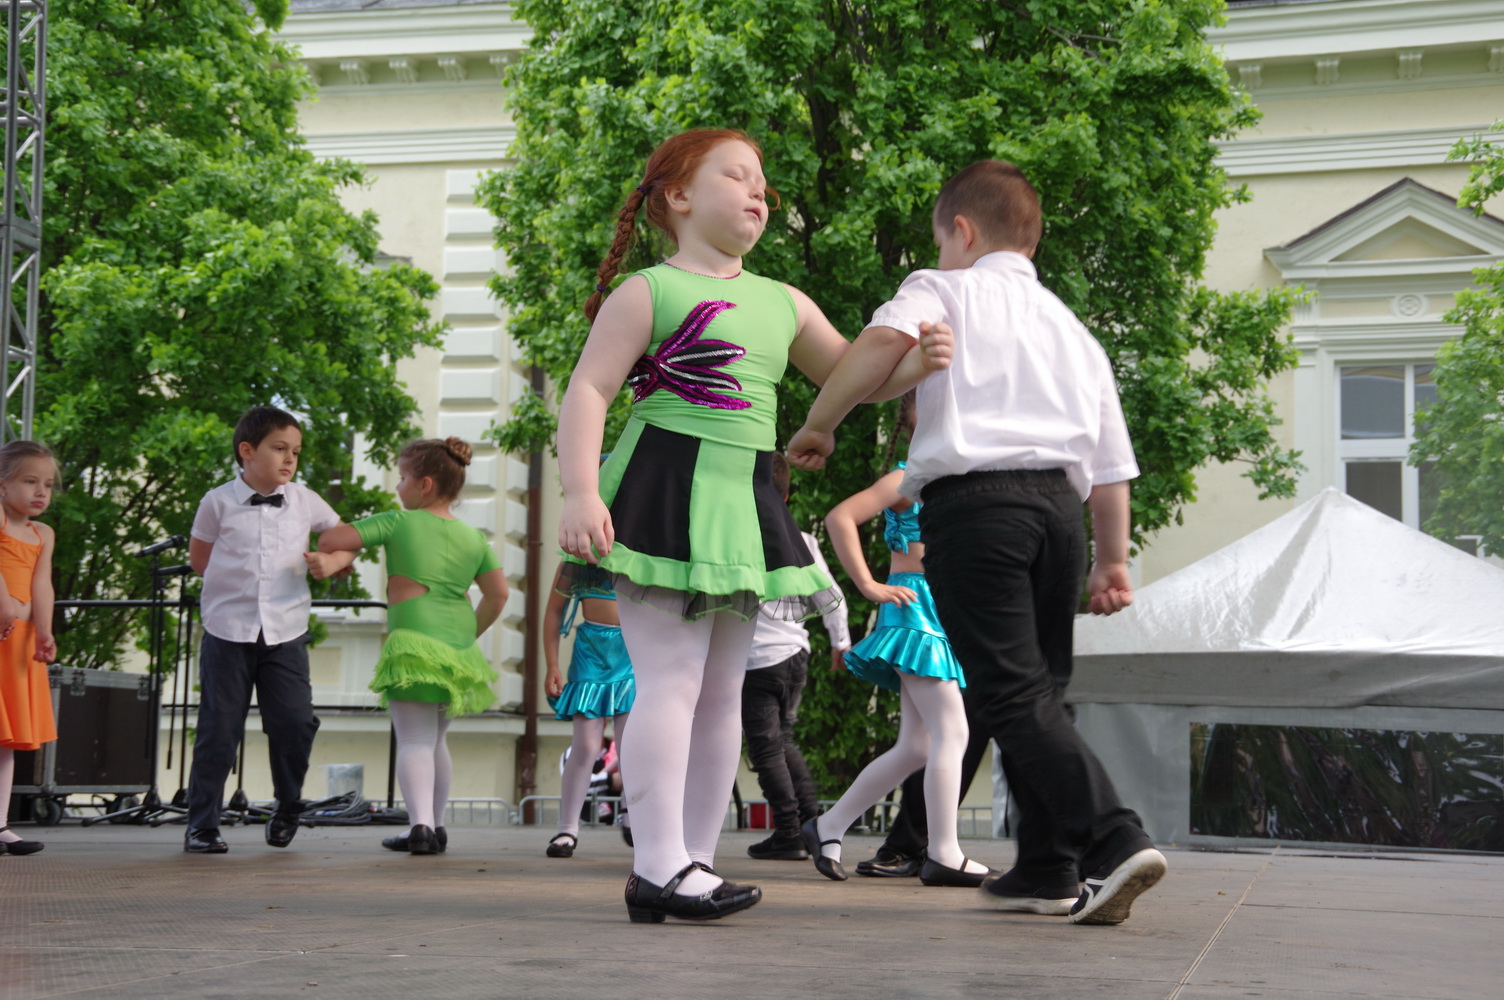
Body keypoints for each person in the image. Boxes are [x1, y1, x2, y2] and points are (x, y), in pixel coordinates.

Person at [555, 128, 948, 923]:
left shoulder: (784, 301)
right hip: (664, 486)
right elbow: (588, 389)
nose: (759, 192)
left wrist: (915, 363)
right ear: (678, 196)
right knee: (671, 682)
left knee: (721, 693)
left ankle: (692, 864)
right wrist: (578, 491)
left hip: (743, 497)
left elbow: (850, 376)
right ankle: (657, 865)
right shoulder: (649, 291)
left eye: (763, 183)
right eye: (737, 176)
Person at [789, 160, 1165, 925]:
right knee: (1040, 691)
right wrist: (1112, 561)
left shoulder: (942, 289)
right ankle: (1047, 867)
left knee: (1008, 692)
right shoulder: (1073, 330)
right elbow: (1111, 465)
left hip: (978, 508)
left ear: (960, 231)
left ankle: (1113, 838)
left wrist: (821, 422)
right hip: (1060, 515)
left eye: (942, 238)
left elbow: (876, 346)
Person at [803, 442, 990, 887]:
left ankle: (828, 826)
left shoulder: (958, 478)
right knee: (953, 732)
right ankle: (944, 852)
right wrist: (867, 584)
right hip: (913, 609)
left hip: (939, 611)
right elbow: (839, 517)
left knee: (917, 747)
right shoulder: (910, 475)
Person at [311, 437, 506, 855]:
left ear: (425, 484)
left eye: (402, 478)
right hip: (457, 645)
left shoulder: (398, 522)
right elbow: (499, 594)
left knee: (414, 740)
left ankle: (419, 826)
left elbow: (330, 539)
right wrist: (468, 635)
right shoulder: (473, 537)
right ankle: (437, 824)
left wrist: (327, 543)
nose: (398, 487)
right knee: (436, 740)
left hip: (414, 637)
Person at [186, 407, 345, 854]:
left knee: (294, 722)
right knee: (219, 729)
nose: (290, 459)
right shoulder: (217, 502)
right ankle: (202, 825)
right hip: (228, 631)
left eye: (296, 451)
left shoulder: (305, 500)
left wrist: (332, 561)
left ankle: (288, 804)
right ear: (247, 451)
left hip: (285, 630)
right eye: (279, 449)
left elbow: (345, 538)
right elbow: (200, 560)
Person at [742, 452, 849, 862]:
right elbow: (831, 595)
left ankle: (789, 831)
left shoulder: (737, 537)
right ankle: (812, 825)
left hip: (757, 660)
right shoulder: (803, 540)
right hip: (795, 655)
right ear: (786, 497)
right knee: (783, 740)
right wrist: (840, 642)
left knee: (766, 749)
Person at [541, 560, 634, 858]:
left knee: (632, 745)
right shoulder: (576, 559)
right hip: (591, 653)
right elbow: (554, 610)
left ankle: (633, 816)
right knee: (585, 745)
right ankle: (567, 829)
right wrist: (552, 665)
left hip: (634, 652)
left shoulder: (642, 548)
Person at [0, 441, 57, 857]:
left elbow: (42, 584)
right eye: (30, 481)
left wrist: (44, 631)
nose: (41, 492)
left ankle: (0, 824)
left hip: (19, 642)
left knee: (6, 738)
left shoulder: (43, 533)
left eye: (48, 484)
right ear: (2, 485)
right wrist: (4, 603)